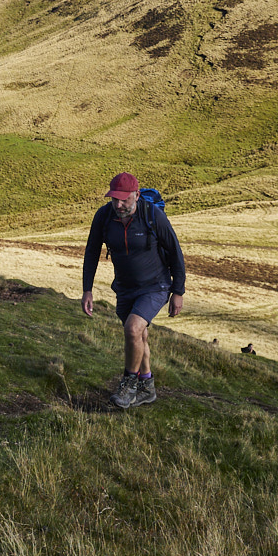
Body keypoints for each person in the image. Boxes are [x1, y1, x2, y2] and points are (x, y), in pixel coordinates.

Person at [82, 172, 185, 409]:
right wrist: (87, 289)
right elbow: (91, 251)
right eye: (114, 199)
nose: (118, 205)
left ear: (136, 196)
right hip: (125, 288)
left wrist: (177, 292)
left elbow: (175, 252)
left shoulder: (153, 216)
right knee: (139, 336)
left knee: (133, 329)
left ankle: (128, 385)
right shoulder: (104, 216)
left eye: (124, 200)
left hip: (155, 285)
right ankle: (147, 387)